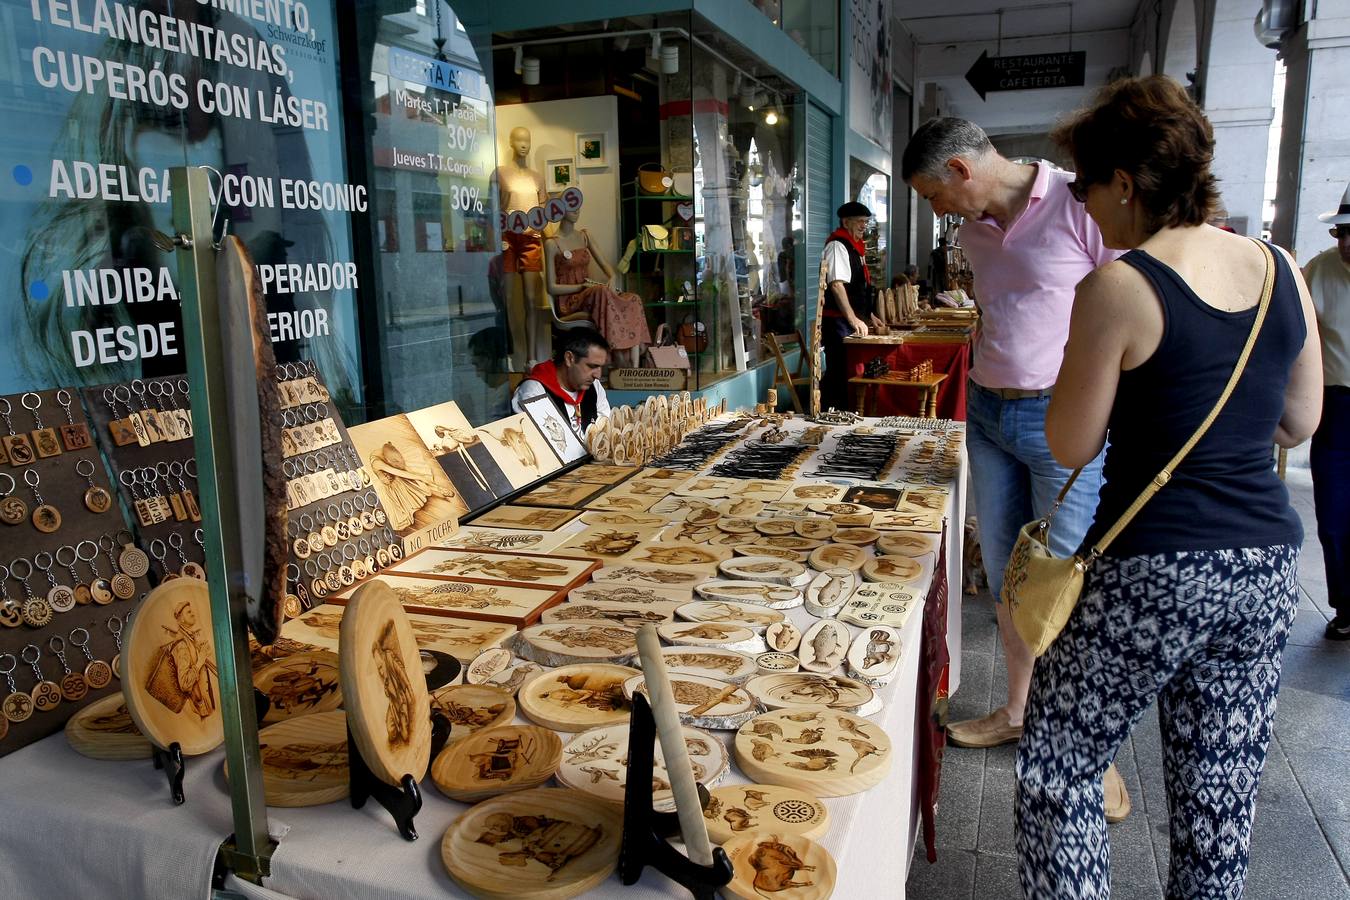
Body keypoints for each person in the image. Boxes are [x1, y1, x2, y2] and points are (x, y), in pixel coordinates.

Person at [1017, 75, 1321, 898]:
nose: (1082, 204)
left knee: (1062, 764)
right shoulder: (1282, 269)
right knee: (1219, 792)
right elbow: (1299, 422)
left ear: (1126, 182)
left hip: (1156, 566)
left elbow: (1071, 442)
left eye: (1085, 184)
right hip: (1263, 570)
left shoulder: (1120, 286)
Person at [901, 117, 1130, 814]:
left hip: (1064, 415)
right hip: (992, 415)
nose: (936, 211)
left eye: (934, 195)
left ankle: (1092, 749)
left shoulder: (1075, 204)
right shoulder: (972, 230)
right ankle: (1018, 709)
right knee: (1006, 579)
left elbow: (1127, 304)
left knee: (1065, 584)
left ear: (964, 171)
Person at [1305, 183, 1350, 639]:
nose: (1347, 243)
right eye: (1342, 232)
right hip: (1338, 408)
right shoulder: (1318, 272)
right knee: (1335, 516)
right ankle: (1346, 606)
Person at [543, 204, 650, 367]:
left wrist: (611, 280)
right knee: (600, 291)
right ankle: (616, 356)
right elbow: (551, 287)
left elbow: (609, 270)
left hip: (593, 295)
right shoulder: (552, 244)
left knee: (633, 298)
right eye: (571, 206)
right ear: (560, 209)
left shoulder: (585, 236)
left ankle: (634, 367)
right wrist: (581, 287)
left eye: (577, 205)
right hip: (570, 301)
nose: (576, 210)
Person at [819, 201, 882, 410]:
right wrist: (853, 319)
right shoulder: (837, 246)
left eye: (866, 222)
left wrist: (867, 315)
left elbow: (858, 288)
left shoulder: (855, 248)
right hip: (838, 321)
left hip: (848, 319)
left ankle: (848, 412)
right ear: (846, 222)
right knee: (839, 369)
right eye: (860, 221)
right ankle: (832, 414)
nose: (864, 226)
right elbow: (837, 286)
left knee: (851, 369)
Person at [512, 327, 612, 439]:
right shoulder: (533, 392)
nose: (597, 375)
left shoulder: (595, 386)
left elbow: (604, 432)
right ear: (569, 358)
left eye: (600, 367)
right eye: (592, 366)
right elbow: (536, 443)